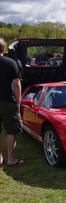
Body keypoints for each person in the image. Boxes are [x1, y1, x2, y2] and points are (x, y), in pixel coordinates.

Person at [0, 38, 23, 167]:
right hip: (8, 102)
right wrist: (18, 103)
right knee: (11, 131)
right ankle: (10, 159)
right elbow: (16, 84)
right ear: (3, 49)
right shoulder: (10, 62)